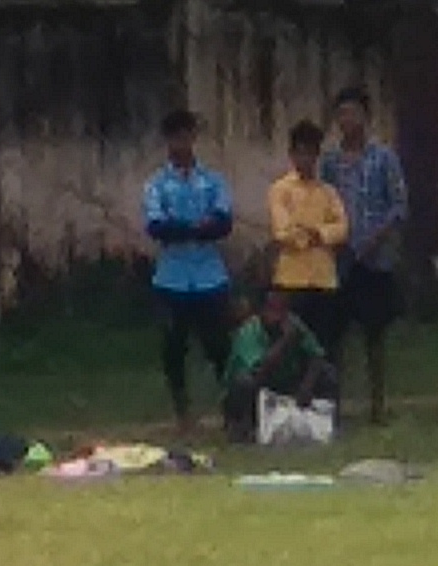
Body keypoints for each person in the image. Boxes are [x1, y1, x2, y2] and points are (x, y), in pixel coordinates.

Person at [141, 110, 236, 434]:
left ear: (194, 138)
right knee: (174, 349)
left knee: (220, 347)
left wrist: (184, 228)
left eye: (186, 136)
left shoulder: (212, 181)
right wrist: (197, 227)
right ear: (167, 142)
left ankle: (231, 410)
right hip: (171, 278)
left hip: (210, 276)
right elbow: (156, 226)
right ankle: (183, 414)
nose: (181, 144)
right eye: (175, 138)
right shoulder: (156, 185)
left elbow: (224, 223)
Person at [320, 88, 409, 422]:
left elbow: (399, 205)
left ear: (365, 117)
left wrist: (376, 238)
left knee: (375, 333)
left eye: (353, 113)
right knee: (335, 335)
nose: (347, 121)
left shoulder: (383, 157)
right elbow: (324, 202)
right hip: (340, 257)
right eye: (341, 114)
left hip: (375, 258)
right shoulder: (330, 162)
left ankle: (377, 405)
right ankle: (335, 405)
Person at [266, 121, 348, 355]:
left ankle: (324, 391)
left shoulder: (328, 192)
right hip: (291, 279)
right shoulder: (280, 190)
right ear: (292, 155)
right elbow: (282, 231)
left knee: (325, 346)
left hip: (324, 278)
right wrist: (316, 234)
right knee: (290, 346)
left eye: (310, 153)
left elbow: (342, 228)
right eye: (300, 153)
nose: (305, 159)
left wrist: (318, 233)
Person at [226, 287, 339, 443]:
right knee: (243, 382)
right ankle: (243, 427)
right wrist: (285, 341)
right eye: (272, 310)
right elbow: (259, 371)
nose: (278, 317)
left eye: (282, 310)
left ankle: (326, 423)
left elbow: (317, 356)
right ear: (262, 311)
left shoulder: (294, 324)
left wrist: (307, 386)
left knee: (328, 373)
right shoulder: (249, 332)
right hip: (259, 385)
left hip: (288, 379)